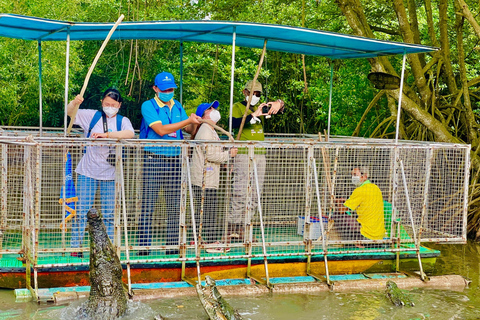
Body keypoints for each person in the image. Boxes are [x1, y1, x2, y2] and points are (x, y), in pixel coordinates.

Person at [66, 88, 135, 257]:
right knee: (82, 211)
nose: (109, 107)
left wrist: (106, 135)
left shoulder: (122, 120)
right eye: (106, 104)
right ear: (101, 103)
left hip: (109, 174)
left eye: (113, 104)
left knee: (110, 213)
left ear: (119, 105)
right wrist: (75, 103)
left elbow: (130, 134)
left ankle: (108, 248)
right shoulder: (93, 116)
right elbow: (69, 113)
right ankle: (77, 247)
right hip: (87, 171)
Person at [138, 71, 201, 256]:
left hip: (175, 160)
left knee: (174, 205)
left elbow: (188, 129)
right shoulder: (148, 106)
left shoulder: (177, 105)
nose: (169, 92)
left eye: (171, 88)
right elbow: (161, 130)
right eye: (165, 89)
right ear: (155, 89)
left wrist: (195, 121)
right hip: (154, 160)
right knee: (148, 205)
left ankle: (172, 247)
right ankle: (143, 247)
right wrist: (187, 121)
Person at [228, 80, 284, 241]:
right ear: (245, 92)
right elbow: (234, 123)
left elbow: (281, 110)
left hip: (260, 154)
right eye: (253, 93)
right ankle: (234, 227)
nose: (256, 97)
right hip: (244, 153)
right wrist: (253, 115)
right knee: (240, 191)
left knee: (255, 193)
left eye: (258, 94)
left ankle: (246, 226)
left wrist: (278, 103)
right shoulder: (238, 107)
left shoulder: (260, 107)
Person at [191, 101, 237, 252]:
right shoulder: (205, 129)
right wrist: (228, 155)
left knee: (205, 209)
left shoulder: (211, 130)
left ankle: (200, 238)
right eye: (210, 109)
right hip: (204, 178)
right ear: (203, 115)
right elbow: (210, 153)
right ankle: (210, 243)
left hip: (209, 176)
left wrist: (225, 160)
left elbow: (214, 151)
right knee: (209, 210)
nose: (214, 110)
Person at [333, 165, 386, 244]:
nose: (353, 177)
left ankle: (353, 243)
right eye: (352, 175)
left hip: (367, 234)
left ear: (364, 176)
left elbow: (341, 210)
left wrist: (337, 202)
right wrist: (346, 201)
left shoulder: (359, 191)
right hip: (379, 235)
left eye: (355, 175)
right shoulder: (376, 188)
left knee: (337, 215)